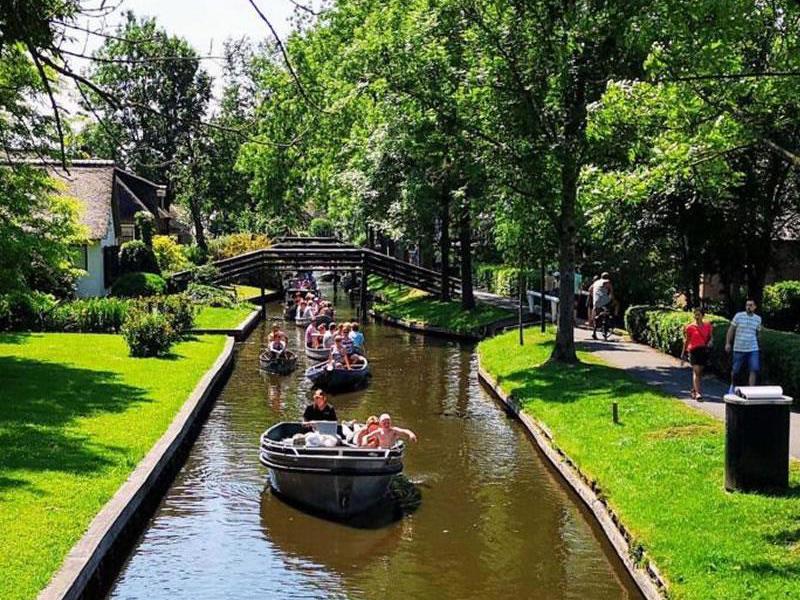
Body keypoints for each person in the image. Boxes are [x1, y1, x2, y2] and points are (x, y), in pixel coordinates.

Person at [726, 298, 762, 394]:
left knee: (754, 368)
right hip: (739, 347)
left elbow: (758, 333)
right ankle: (732, 387)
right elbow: (731, 330)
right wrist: (728, 343)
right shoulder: (738, 316)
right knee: (736, 370)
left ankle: (751, 390)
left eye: (751, 305)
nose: (748, 307)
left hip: (753, 348)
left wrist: (759, 344)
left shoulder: (758, 319)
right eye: (747, 305)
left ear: (754, 307)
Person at [682, 308, 713, 401]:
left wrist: (711, 342)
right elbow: (686, 341)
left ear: (703, 316)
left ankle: (694, 389)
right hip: (693, 350)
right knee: (696, 370)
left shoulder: (708, 326)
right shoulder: (690, 327)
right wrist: (683, 353)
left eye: (698, 314)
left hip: (703, 350)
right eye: (695, 314)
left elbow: (711, 337)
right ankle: (698, 393)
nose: (697, 317)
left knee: (700, 372)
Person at [589, 272, 613, 339]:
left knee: (597, 315)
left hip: (596, 302)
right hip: (603, 301)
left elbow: (590, 289)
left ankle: (594, 332)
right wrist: (611, 299)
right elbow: (611, 293)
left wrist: (594, 296)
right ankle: (610, 316)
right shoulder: (607, 281)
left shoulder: (596, 282)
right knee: (616, 304)